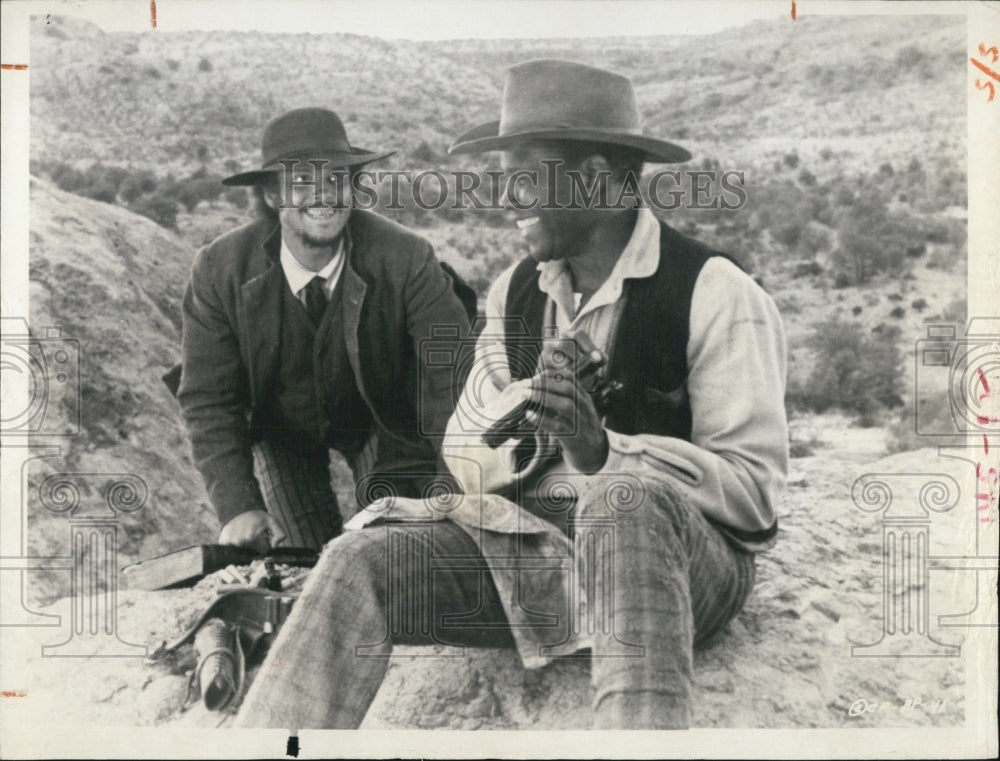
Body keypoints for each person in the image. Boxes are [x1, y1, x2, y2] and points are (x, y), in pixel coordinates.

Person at [233, 61, 787, 730]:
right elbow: (467, 452)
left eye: (525, 174)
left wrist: (602, 450)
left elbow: (754, 499)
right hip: (546, 560)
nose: (505, 195)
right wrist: (524, 436)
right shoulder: (515, 291)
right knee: (357, 558)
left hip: (677, 574)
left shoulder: (717, 293)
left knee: (625, 503)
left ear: (598, 180)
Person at [172, 107, 475, 552]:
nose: (324, 195)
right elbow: (209, 397)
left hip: (386, 422)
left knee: (391, 551)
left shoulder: (406, 257)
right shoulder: (221, 270)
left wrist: (449, 486)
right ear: (273, 196)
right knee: (294, 562)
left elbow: (448, 378)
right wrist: (237, 504)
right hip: (281, 430)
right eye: (302, 183)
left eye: (336, 180)